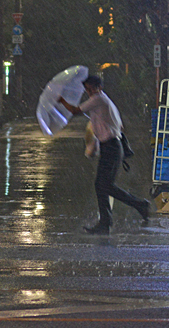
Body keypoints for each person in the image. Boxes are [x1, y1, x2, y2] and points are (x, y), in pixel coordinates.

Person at [56, 75, 151, 233]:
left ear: (99, 87)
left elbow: (75, 110)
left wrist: (62, 100)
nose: (89, 92)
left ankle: (138, 205)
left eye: (91, 88)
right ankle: (107, 222)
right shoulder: (101, 101)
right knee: (102, 186)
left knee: (104, 185)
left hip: (112, 148)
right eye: (87, 89)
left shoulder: (98, 99)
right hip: (111, 147)